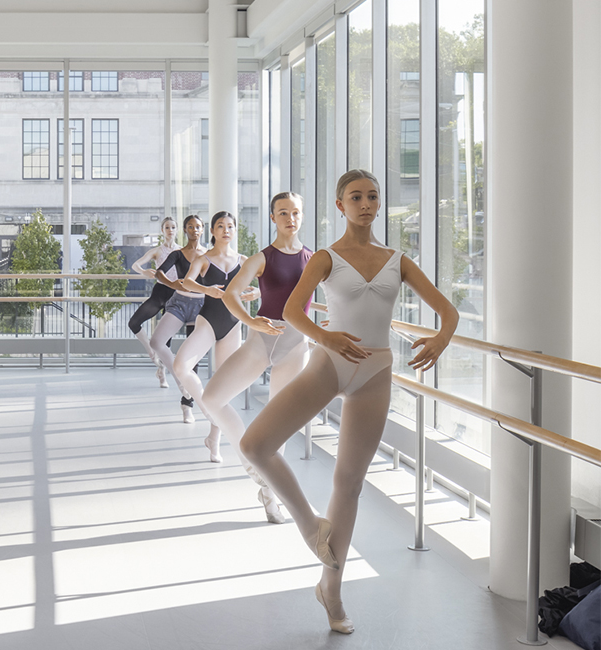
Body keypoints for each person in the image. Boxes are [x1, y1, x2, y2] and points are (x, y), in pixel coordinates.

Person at [238, 170, 458, 634]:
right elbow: (293, 311)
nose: (365, 203)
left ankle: (331, 590)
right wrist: (326, 337)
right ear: (340, 205)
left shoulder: (397, 259)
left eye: (372, 196)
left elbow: (448, 311)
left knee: (349, 483)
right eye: (355, 197)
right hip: (329, 362)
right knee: (255, 445)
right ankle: (307, 524)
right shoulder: (326, 256)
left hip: (376, 372)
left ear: (378, 204)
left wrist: (440, 339)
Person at [199, 193, 310, 525]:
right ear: (273, 218)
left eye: (296, 212)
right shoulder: (261, 258)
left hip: (295, 345)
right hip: (261, 339)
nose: (290, 218)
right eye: (283, 213)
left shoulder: (314, 258)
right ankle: (256, 468)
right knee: (211, 398)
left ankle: (271, 498)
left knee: (280, 427)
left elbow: (336, 292)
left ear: (301, 216)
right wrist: (251, 321)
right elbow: (231, 294)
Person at [170, 211, 259, 460]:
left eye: (230, 226)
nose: (226, 230)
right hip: (208, 321)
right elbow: (187, 282)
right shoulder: (204, 258)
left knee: (223, 388)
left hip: (233, 326)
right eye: (220, 226)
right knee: (180, 366)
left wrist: (257, 293)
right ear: (213, 231)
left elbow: (266, 285)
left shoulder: (244, 260)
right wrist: (205, 289)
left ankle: (214, 441)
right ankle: (205, 407)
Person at [147, 215, 207, 422]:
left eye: (197, 226)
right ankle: (182, 379)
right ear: (185, 230)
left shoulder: (208, 254)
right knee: (156, 341)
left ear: (202, 229)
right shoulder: (177, 254)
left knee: (194, 359)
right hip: (180, 303)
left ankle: (186, 405)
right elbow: (159, 273)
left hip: (201, 306)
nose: (194, 229)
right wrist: (174, 285)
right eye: (190, 226)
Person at [128, 216, 180, 388]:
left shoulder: (181, 251)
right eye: (167, 227)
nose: (170, 230)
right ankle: (151, 353)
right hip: (159, 293)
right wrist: (144, 272)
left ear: (177, 230)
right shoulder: (157, 251)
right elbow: (135, 265)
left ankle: (162, 374)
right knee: (134, 322)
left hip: (175, 294)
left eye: (173, 227)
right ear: (162, 231)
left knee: (167, 339)